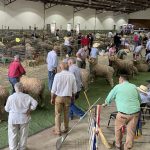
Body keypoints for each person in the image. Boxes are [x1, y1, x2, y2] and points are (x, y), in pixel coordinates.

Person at [103, 74, 141, 150]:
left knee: (118, 129)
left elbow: (109, 97)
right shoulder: (134, 86)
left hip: (123, 114)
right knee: (131, 131)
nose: (119, 81)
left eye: (119, 80)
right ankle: (128, 147)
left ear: (121, 79)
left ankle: (118, 145)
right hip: (135, 113)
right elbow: (139, 99)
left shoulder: (117, 87)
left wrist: (106, 103)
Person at [5, 82, 38, 150]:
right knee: (23, 134)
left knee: (12, 134)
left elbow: (7, 109)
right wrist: (30, 109)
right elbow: (35, 103)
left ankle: (13, 148)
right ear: (22, 88)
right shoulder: (27, 96)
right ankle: (22, 148)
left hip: (13, 119)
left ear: (14, 88)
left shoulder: (10, 97)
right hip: (24, 118)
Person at [51, 62, 77, 135]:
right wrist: (73, 98)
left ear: (60, 68)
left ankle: (58, 130)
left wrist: (52, 98)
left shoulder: (57, 75)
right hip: (68, 98)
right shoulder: (71, 75)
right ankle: (66, 128)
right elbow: (74, 90)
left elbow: (53, 89)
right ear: (67, 68)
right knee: (66, 113)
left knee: (58, 114)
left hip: (58, 98)